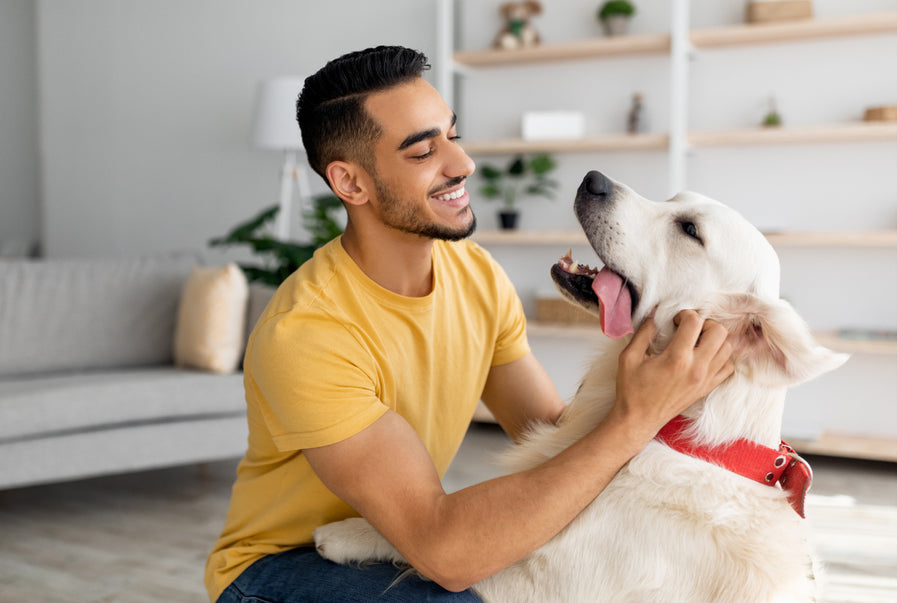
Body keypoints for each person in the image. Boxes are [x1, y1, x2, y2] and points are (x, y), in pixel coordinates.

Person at [205, 45, 735, 603]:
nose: (462, 165)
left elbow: (551, 435)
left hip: (396, 536)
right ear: (351, 183)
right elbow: (446, 552)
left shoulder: (474, 273)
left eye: (452, 136)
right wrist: (634, 417)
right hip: (275, 570)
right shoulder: (309, 333)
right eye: (422, 152)